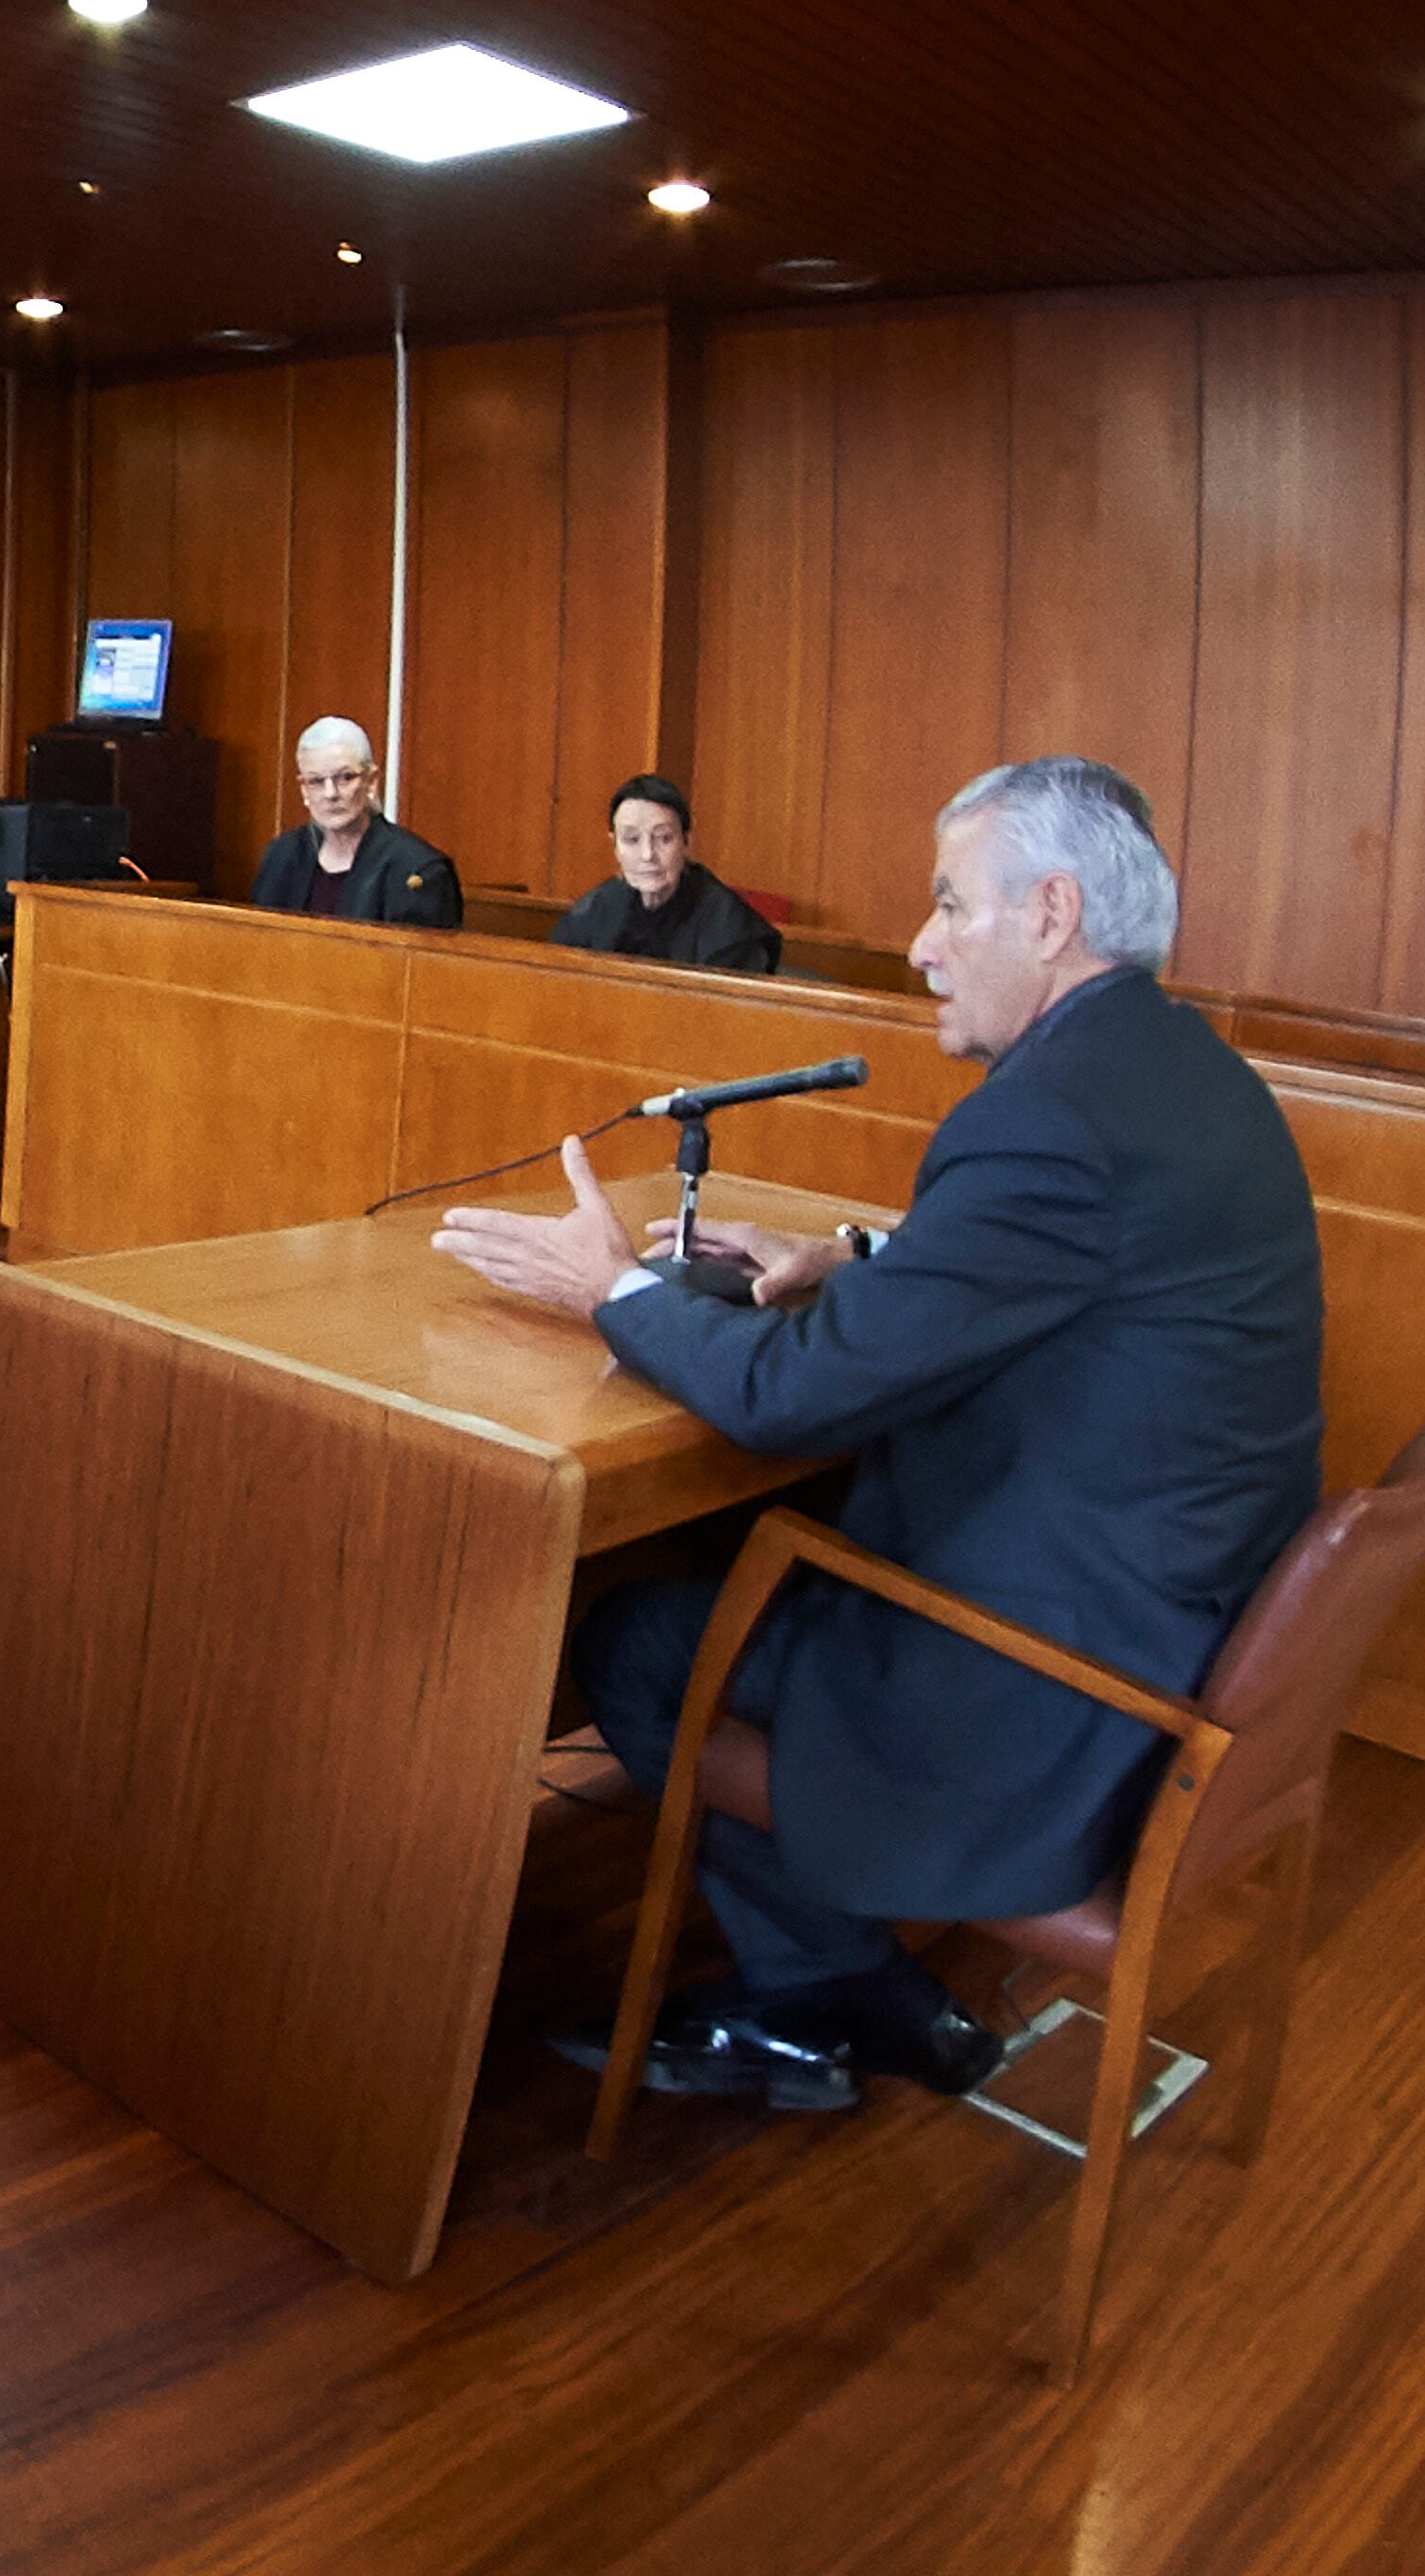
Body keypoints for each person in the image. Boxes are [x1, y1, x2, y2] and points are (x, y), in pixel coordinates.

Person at [432, 757, 1324, 2112]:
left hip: (1048, 1691)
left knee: (636, 1632)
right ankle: (842, 1966)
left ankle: (815, 1989)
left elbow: (792, 1398)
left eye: (948, 903)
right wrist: (850, 1257)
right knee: (753, 1546)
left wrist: (603, 1288)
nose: (918, 947)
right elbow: (1070, 1272)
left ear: (1050, 913)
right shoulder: (1180, 1070)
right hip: (1160, 1620)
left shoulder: (1044, 1121)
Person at [550, 772, 782, 974]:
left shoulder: (730, 929)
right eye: (631, 839)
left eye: (663, 838)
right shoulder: (598, 906)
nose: (647, 854)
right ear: (615, 846)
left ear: (686, 842)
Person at [248, 717, 461, 925]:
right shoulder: (282, 855)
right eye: (316, 781)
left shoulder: (417, 869)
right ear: (304, 790)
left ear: (371, 782)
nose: (330, 793)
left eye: (346, 777)